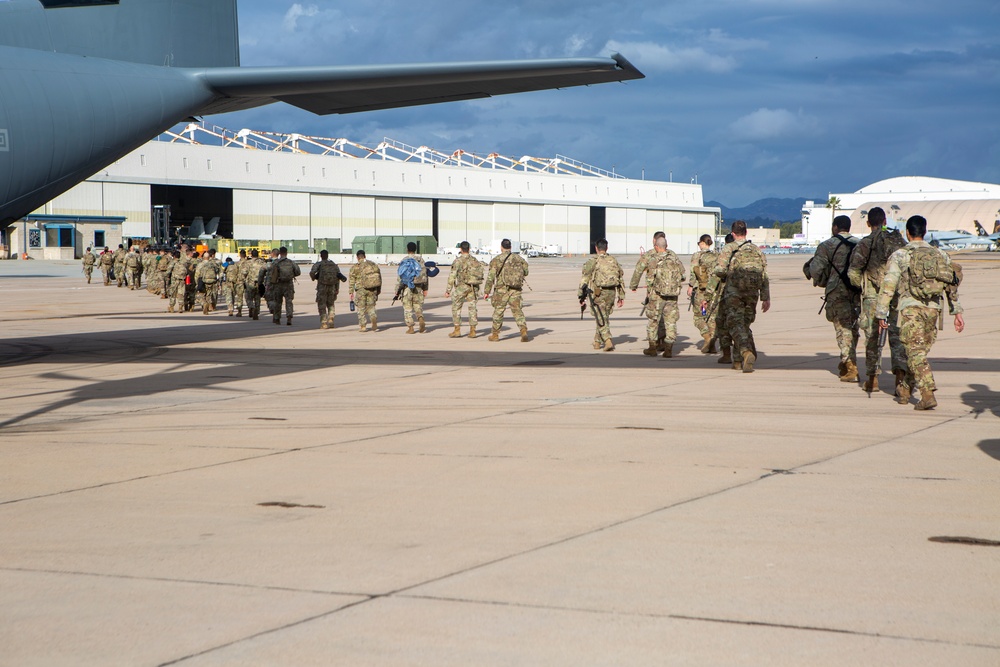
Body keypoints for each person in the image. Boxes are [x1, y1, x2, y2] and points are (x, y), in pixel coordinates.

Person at [876, 215, 964, 410]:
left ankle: (927, 392)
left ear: (908, 233)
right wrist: (956, 311)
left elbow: (888, 285)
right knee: (918, 352)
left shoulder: (900, 255)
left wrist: (881, 313)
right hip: (933, 310)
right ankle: (905, 389)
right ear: (924, 231)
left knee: (915, 352)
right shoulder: (940, 254)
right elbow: (951, 284)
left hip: (911, 309)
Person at [847, 207, 909, 395]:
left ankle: (873, 379)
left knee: (873, 337)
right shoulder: (899, 241)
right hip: (896, 295)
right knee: (897, 337)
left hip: (873, 297)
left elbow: (853, 271)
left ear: (868, 224)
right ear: (885, 222)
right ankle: (900, 379)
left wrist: (865, 287)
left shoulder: (865, 243)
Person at [705, 220, 770, 373]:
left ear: (733, 234)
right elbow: (764, 275)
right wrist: (766, 297)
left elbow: (720, 270)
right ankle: (738, 362)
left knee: (735, 324)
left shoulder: (729, 248)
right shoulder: (756, 250)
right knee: (745, 324)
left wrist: (711, 290)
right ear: (746, 233)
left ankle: (746, 352)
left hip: (734, 292)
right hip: (752, 293)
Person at [807, 215, 861, 382]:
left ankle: (850, 364)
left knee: (842, 328)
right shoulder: (860, 245)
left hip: (837, 291)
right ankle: (846, 361)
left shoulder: (827, 245)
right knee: (853, 327)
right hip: (857, 291)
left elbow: (815, 269)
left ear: (835, 227)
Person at [635, 236, 685, 358]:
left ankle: (652, 347)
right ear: (666, 246)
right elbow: (683, 276)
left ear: (657, 247)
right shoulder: (674, 258)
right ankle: (668, 349)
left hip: (657, 295)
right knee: (671, 322)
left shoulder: (654, 260)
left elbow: (650, 279)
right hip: (672, 296)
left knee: (653, 320)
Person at [578, 238, 625, 351]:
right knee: (603, 316)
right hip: (611, 292)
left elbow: (585, 279)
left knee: (600, 317)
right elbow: (620, 278)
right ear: (606, 248)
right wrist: (621, 296)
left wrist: (581, 296)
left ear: (596, 248)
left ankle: (608, 340)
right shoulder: (613, 260)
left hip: (599, 293)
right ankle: (597, 342)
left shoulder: (593, 261)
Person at [483, 238, 530, 342]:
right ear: (510, 247)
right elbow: (526, 272)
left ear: (501, 247)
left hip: (501, 290)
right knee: (517, 311)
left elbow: (491, 277)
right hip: (515, 289)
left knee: (498, 311)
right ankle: (523, 331)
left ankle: (495, 335)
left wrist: (486, 291)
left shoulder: (496, 260)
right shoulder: (519, 259)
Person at [629, 231, 668, 351]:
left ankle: (654, 342)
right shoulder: (670, 254)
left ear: (654, 240)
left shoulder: (648, 255)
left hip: (654, 292)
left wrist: (633, 285)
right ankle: (663, 340)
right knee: (665, 317)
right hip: (668, 292)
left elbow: (638, 270)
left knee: (654, 317)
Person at [687, 234, 719, 353]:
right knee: (711, 318)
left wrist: (690, 286)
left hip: (701, 291)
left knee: (698, 317)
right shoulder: (716, 256)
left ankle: (707, 337)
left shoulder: (697, 256)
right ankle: (712, 345)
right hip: (714, 291)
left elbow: (693, 273)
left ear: (702, 243)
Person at [444, 241, 483, 338]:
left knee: (456, 308)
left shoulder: (458, 261)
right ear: (469, 249)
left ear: (461, 249)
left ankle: (457, 330)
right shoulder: (475, 260)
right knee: (472, 308)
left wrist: (448, 290)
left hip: (461, 287)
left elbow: (452, 276)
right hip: (473, 287)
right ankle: (473, 331)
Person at [395, 241, 429, 334]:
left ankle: (411, 328)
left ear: (407, 249)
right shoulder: (420, 260)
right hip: (418, 287)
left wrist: (397, 290)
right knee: (418, 306)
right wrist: (425, 288)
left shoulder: (404, 260)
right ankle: (420, 318)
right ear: (415, 250)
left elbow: (400, 276)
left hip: (407, 288)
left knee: (407, 308)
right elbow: (425, 274)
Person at [349, 249, 382, 332]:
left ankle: (363, 326)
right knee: (371, 306)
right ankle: (373, 318)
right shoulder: (373, 265)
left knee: (361, 308)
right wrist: (378, 289)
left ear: (357, 257)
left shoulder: (355, 267)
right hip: (372, 289)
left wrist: (351, 292)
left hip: (360, 290)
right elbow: (379, 278)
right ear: (365, 256)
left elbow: (352, 280)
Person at [309, 249, 341, 329]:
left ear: (321, 256)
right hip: (332, 286)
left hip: (322, 286)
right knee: (331, 303)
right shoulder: (333, 265)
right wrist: (337, 288)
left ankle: (324, 323)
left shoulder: (318, 264)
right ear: (327, 255)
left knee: (321, 304)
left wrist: (314, 278)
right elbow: (338, 277)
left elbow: (312, 273)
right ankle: (331, 319)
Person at [268, 246, 300, 325]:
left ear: (279, 253)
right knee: (289, 301)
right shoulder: (291, 262)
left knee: (278, 302)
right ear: (286, 253)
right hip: (288, 284)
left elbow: (271, 274)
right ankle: (289, 317)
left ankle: (277, 318)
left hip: (278, 284)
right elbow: (298, 272)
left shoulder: (275, 262)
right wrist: (291, 275)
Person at [240, 249, 268, 320]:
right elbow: (267, 271)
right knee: (257, 298)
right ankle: (257, 311)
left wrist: (243, 280)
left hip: (250, 283)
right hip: (259, 283)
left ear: (251, 255)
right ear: (258, 255)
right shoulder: (262, 263)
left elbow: (244, 272)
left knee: (248, 297)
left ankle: (251, 307)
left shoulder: (248, 263)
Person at [224, 251, 245, 316]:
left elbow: (221, 273)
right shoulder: (238, 264)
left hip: (229, 282)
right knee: (239, 297)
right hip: (239, 282)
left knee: (229, 296)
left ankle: (230, 309)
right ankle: (239, 310)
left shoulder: (226, 265)